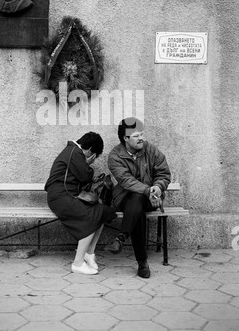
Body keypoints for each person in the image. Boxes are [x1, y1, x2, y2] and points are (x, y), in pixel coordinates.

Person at [106, 117, 171, 278]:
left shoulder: (151, 150)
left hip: (152, 199)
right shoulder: (115, 156)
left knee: (137, 204)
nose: (141, 138)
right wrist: (148, 190)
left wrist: (158, 186)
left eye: (141, 134)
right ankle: (142, 262)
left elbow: (164, 173)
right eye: (136, 136)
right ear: (125, 138)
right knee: (136, 203)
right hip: (124, 199)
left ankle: (122, 238)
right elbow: (126, 181)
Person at [45, 132, 117, 275]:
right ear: (90, 150)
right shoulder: (75, 152)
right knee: (92, 215)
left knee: (102, 211)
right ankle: (78, 263)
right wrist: (88, 163)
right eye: (94, 157)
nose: (93, 161)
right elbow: (85, 175)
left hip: (66, 196)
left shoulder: (72, 151)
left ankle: (89, 253)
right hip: (60, 198)